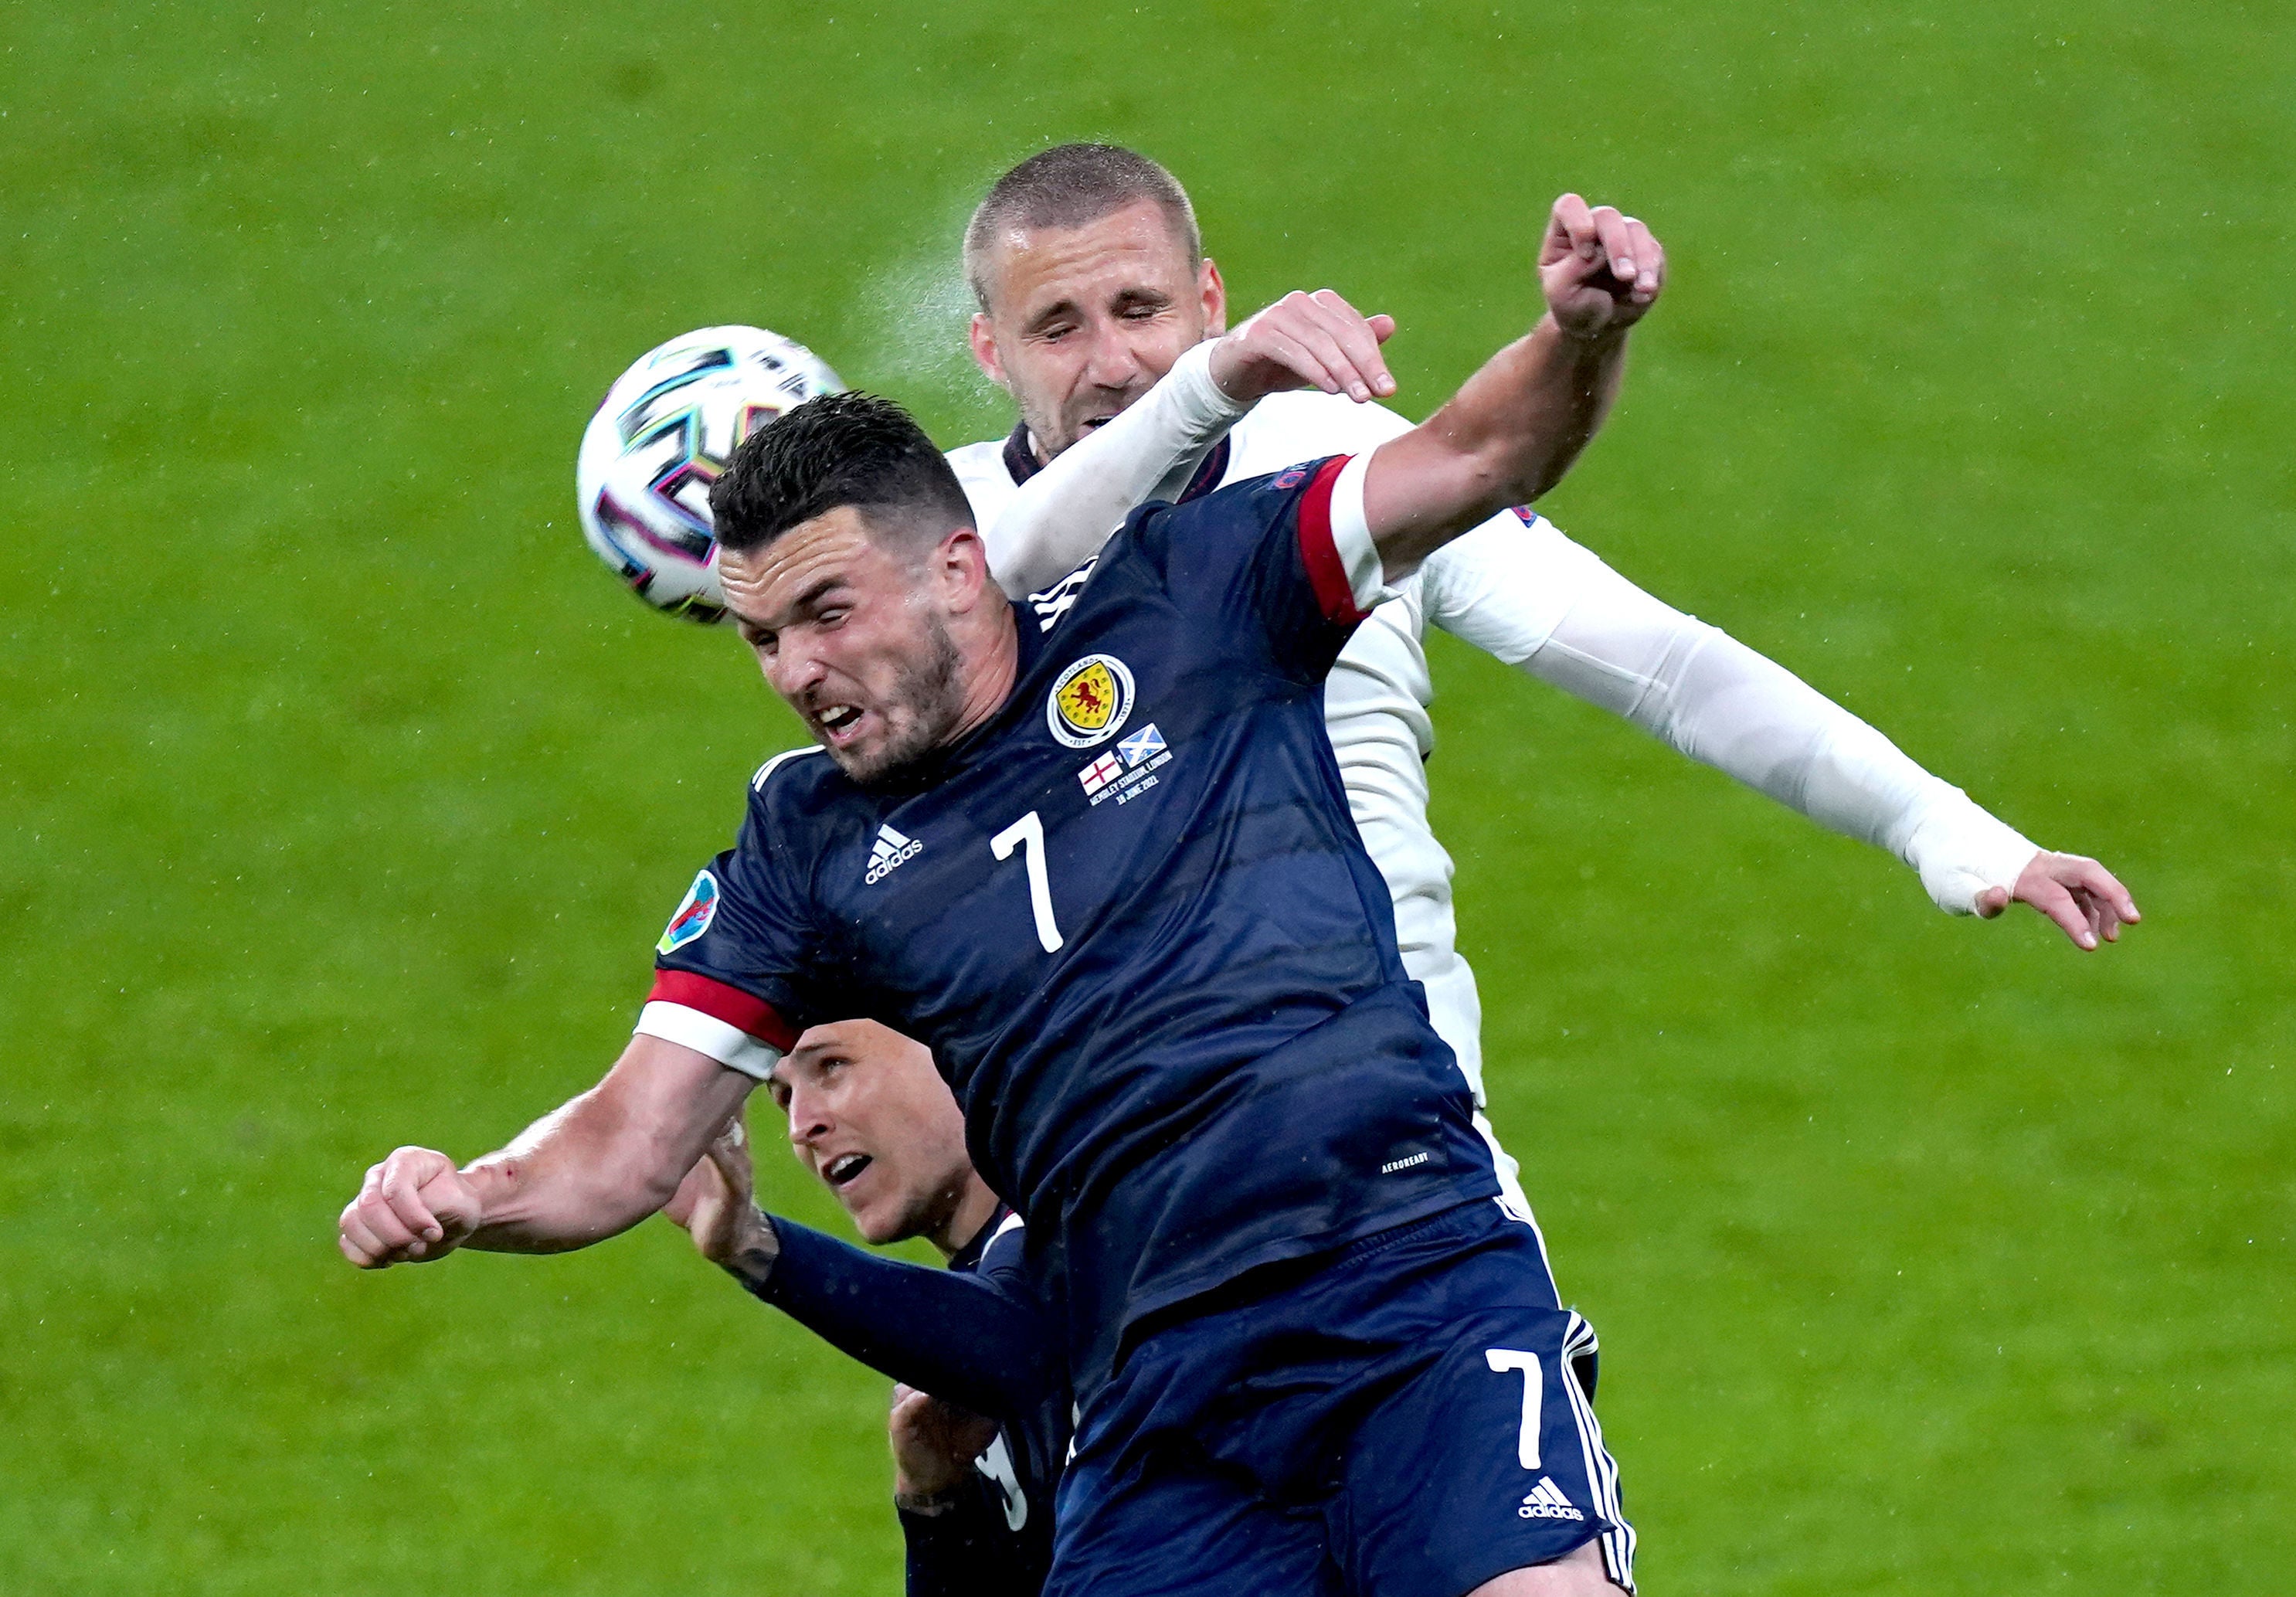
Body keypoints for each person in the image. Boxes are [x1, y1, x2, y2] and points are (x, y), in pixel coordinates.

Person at [343, 192, 1670, 1595]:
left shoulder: (1193, 599)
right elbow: (624, 1144)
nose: (797, 671)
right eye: (762, 637)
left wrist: (1577, 336)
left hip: (1408, 1286)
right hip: (1162, 1398)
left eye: (829, 613)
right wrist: (467, 1198)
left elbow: (1477, 449)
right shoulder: (803, 844)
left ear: (962, 563)